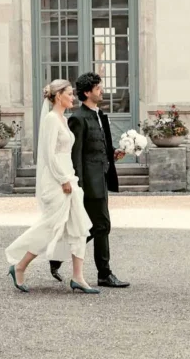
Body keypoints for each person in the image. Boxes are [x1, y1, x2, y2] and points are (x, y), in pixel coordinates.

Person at [5, 79, 100, 294]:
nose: (73, 97)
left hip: (68, 177)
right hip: (57, 181)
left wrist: (70, 177)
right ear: (58, 96)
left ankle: (78, 277)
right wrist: (62, 179)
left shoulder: (63, 120)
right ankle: (19, 266)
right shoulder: (50, 120)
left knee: (79, 226)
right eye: (69, 94)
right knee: (50, 228)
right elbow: (48, 155)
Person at [49, 72, 130, 289]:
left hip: (102, 177)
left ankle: (57, 258)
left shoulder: (100, 115)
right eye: (98, 88)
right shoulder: (78, 118)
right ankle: (104, 274)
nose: (102, 91)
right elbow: (76, 154)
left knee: (92, 227)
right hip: (88, 182)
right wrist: (78, 184)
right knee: (101, 225)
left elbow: (100, 145)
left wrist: (113, 153)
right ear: (87, 92)